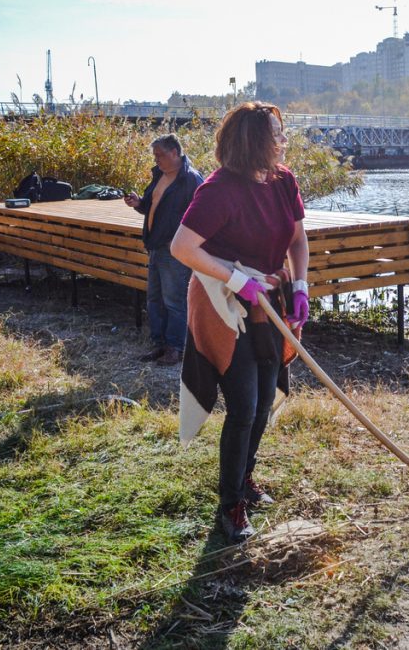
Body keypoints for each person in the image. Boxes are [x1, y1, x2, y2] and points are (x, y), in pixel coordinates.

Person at [170, 102, 309, 543]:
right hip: (223, 303)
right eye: (275, 134)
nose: (282, 141)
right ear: (253, 142)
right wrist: (236, 279)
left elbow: (298, 237)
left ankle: (245, 479)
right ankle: (230, 505)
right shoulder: (218, 190)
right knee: (244, 405)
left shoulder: (283, 180)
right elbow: (182, 247)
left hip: (267, 302)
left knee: (266, 396)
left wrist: (301, 284)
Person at [124, 134, 204, 366]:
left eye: (159, 155)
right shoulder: (160, 175)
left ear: (174, 153)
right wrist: (139, 203)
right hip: (156, 247)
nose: (156, 159)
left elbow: (202, 216)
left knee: (174, 300)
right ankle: (159, 344)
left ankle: (175, 347)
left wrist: (181, 241)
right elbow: (152, 207)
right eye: (155, 155)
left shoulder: (191, 179)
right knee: (155, 299)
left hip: (175, 250)